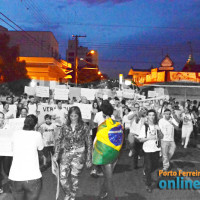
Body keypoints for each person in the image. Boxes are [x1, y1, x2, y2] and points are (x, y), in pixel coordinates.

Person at [53, 106, 92, 200]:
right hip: (66, 154)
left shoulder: (84, 127)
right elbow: (58, 140)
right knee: (62, 177)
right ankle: (68, 193)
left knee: (74, 176)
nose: (73, 118)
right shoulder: (64, 127)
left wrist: (89, 158)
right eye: (71, 116)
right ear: (68, 116)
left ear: (79, 116)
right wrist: (56, 153)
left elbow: (89, 143)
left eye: (75, 116)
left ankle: (73, 195)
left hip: (79, 155)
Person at [92, 100, 123, 200]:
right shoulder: (117, 123)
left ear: (103, 113)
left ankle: (110, 197)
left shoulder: (102, 126)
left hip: (103, 152)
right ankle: (102, 193)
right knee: (108, 176)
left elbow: (96, 140)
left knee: (108, 178)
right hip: (115, 152)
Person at [9, 115, 44, 200]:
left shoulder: (15, 133)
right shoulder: (37, 135)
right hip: (33, 176)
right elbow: (40, 150)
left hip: (15, 176)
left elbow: (12, 149)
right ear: (35, 125)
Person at [136, 109, 161, 193]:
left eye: (153, 115)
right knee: (149, 167)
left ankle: (146, 171)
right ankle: (148, 185)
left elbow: (161, 136)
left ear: (155, 116)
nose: (151, 117)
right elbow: (140, 139)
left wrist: (159, 129)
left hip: (156, 149)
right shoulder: (145, 126)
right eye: (149, 115)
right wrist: (148, 138)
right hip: (147, 150)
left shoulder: (157, 125)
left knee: (155, 166)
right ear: (147, 116)